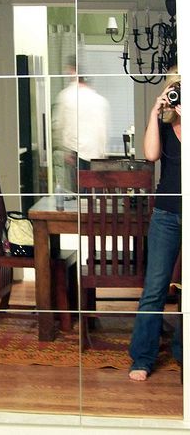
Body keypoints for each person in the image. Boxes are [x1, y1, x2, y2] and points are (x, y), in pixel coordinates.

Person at [129, 74, 182, 381]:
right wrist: (154, 112)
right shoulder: (163, 126)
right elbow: (150, 155)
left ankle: (182, 351)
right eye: (174, 93)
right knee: (155, 288)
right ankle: (143, 357)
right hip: (165, 214)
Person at [52, 57, 110, 192]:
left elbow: (58, 126)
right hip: (96, 157)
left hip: (75, 154)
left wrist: (65, 151)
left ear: (73, 72)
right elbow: (103, 132)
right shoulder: (100, 101)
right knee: (93, 199)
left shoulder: (66, 96)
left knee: (76, 198)